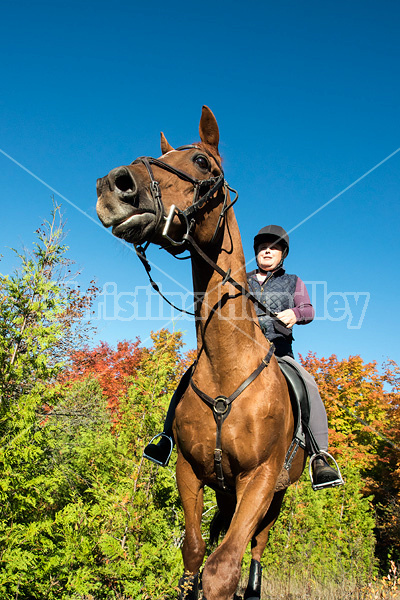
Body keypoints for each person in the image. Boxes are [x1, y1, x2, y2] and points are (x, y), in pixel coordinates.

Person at [144, 225, 342, 490]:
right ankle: (166, 438)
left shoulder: (293, 281)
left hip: (278, 352)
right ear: (256, 253)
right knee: (188, 378)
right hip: (239, 353)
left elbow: (308, 308)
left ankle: (320, 457)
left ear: (283, 254)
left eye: (273, 247)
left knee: (308, 385)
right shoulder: (240, 279)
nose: (267, 251)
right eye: (262, 248)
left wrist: (295, 313)